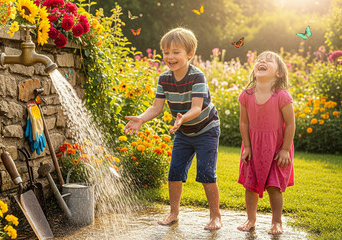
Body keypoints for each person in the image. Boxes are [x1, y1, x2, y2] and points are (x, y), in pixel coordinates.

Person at [123, 28, 222, 230]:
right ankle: (174, 213)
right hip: (184, 131)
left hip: (206, 130)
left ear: (189, 54)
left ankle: (215, 216)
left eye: (176, 52)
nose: (170, 57)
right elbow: (156, 107)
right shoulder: (164, 79)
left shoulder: (197, 77)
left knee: (206, 172)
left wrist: (182, 118)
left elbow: (197, 107)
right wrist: (141, 119)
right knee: (175, 172)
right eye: (166, 52)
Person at [237, 51, 295, 235]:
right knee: (250, 184)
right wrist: (247, 146)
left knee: (274, 185)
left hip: (278, 148)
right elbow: (244, 122)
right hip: (253, 147)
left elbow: (291, 123)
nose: (262, 61)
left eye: (268, 60)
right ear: (255, 70)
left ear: (278, 73)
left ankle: (276, 222)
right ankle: (250, 219)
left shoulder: (282, 96)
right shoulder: (246, 95)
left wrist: (285, 149)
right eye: (259, 60)